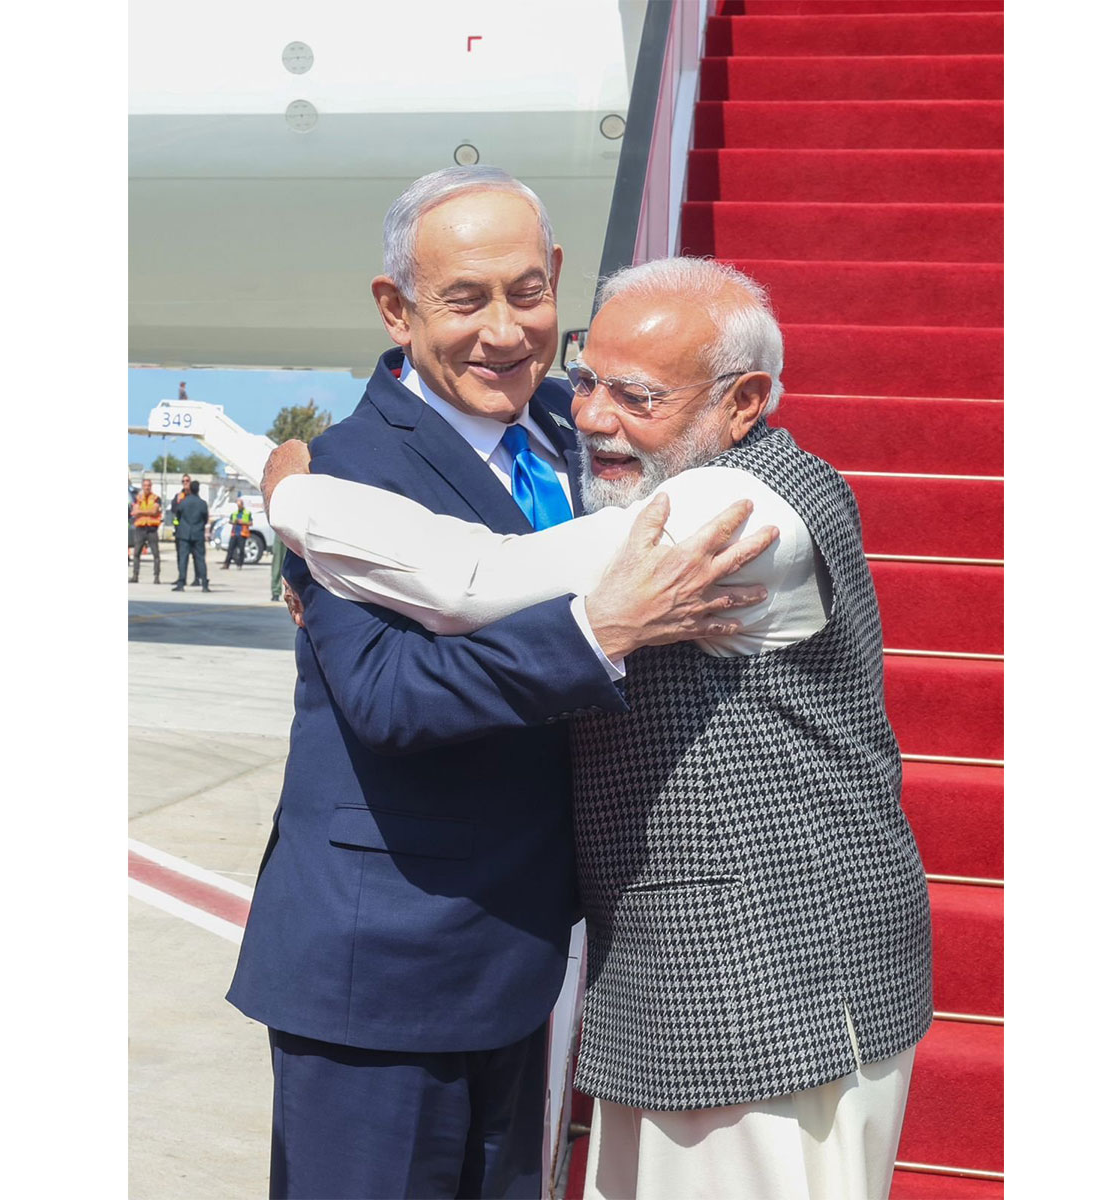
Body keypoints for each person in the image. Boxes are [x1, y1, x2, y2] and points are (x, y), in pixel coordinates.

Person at [261, 257, 932, 1200]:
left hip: (768, 981)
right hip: (684, 977)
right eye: (588, 380)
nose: (592, 417)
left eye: (638, 395)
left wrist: (289, 492)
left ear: (743, 404)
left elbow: (473, 582)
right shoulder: (648, 462)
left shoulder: (734, 511)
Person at [226, 169, 775, 1200]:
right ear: (396, 309)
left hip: (521, 957)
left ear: (559, 280)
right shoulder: (344, 472)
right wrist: (596, 633)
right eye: (463, 298)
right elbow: (391, 697)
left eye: (526, 293)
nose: (503, 332)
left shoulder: (580, 424)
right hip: (378, 966)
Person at [170, 480, 210, 592]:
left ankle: (181, 583)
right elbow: (205, 518)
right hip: (198, 534)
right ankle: (204, 585)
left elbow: (177, 515)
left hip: (184, 534)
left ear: (190, 489)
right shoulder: (202, 503)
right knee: (200, 559)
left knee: (183, 559)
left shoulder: (183, 502)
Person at [129, 477, 163, 583]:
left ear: (151, 486)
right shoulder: (137, 498)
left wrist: (142, 511)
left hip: (152, 529)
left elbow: (154, 511)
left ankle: (156, 576)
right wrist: (148, 511)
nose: (147, 487)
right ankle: (135, 575)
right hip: (140, 528)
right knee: (136, 553)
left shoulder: (156, 498)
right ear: (142, 486)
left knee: (156, 554)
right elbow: (135, 511)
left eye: (149, 485)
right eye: (145, 485)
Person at [221, 496, 254, 569]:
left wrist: (243, 522)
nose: (239, 507)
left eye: (240, 505)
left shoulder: (247, 513)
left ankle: (239, 564)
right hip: (234, 533)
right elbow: (230, 521)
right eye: (237, 505)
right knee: (230, 549)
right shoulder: (235, 513)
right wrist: (234, 522)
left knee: (241, 550)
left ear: (242, 505)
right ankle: (226, 564)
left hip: (242, 533)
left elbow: (251, 523)